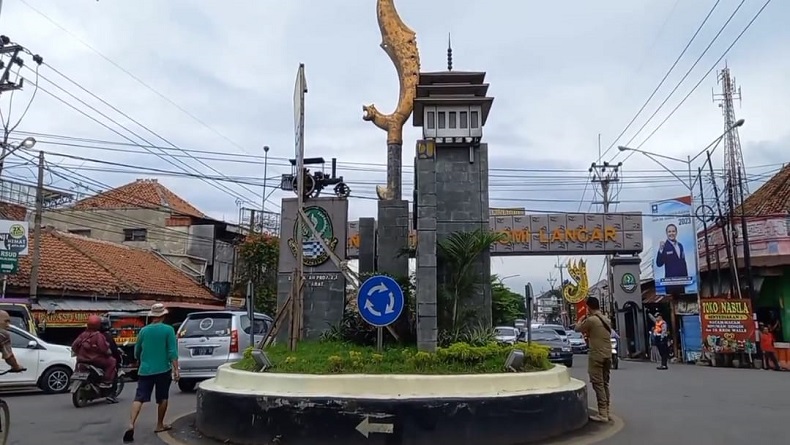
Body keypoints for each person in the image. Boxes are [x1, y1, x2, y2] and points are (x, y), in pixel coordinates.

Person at [124, 303, 178, 443]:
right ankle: (159, 425)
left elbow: (137, 351)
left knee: (139, 398)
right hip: (163, 369)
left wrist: (139, 359)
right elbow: (172, 351)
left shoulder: (143, 331)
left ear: (152, 316)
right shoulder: (168, 330)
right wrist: (176, 369)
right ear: (163, 316)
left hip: (145, 370)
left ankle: (131, 423)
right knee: (163, 398)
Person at [575, 296, 612, 422]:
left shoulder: (591, 320)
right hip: (608, 355)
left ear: (589, 307)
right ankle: (606, 410)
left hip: (597, 355)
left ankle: (602, 413)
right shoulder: (606, 319)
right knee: (605, 384)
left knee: (598, 384)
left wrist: (580, 320)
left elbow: (577, 329)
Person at [72, 315, 116, 387]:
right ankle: (106, 381)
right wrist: (109, 352)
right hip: (95, 360)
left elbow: (74, 346)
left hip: (81, 359)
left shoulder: (83, 334)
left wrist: (79, 353)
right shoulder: (98, 336)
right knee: (112, 361)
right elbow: (104, 349)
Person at [100, 317, 122, 403]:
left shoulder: (90, 334)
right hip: (102, 360)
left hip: (88, 359)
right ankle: (111, 395)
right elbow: (113, 350)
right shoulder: (106, 336)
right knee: (114, 373)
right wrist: (118, 360)